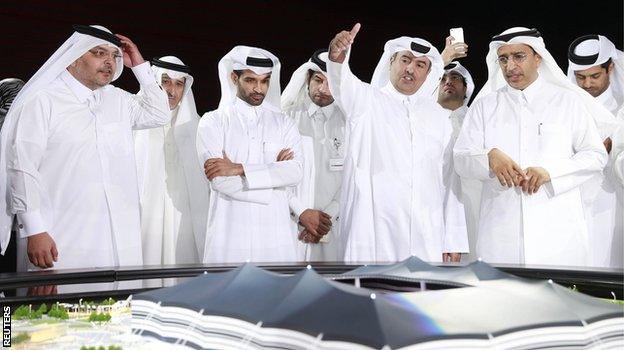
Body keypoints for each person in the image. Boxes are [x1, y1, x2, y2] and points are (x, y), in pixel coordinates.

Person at [0, 25, 170, 270]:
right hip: (60, 237)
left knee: (115, 307)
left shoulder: (118, 99)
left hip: (118, 239)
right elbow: (22, 167)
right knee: (60, 308)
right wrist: (34, 229)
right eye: (99, 53)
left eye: (114, 55)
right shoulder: (43, 100)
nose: (110, 62)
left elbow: (159, 113)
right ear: (73, 57)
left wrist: (141, 68)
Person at [453, 27, 610, 267]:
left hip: (558, 238)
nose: (510, 66)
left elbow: (596, 155)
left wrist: (551, 172)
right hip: (501, 238)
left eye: (519, 56)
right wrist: (489, 157)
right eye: (503, 59)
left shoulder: (567, 101)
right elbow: (461, 159)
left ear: (538, 58)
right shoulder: (485, 106)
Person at [327, 23, 468, 263]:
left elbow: (448, 182)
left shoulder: (439, 118)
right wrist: (338, 58)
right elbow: (342, 84)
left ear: (428, 74)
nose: (411, 69)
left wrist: (451, 239)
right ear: (391, 62)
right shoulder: (366, 101)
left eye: (420, 65)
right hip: (374, 233)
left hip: (426, 235)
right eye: (405, 60)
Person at [196, 46, 303, 263]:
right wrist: (275, 188)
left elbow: (296, 172)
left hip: (275, 233)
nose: (259, 89)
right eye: (251, 80)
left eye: (264, 81)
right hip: (230, 232)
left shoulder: (284, 123)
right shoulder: (213, 121)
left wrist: (239, 169)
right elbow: (221, 181)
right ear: (234, 78)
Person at [134, 56, 209, 266]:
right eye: (165, 81)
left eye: (178, 84)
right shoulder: (133, 121)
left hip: (183, 216)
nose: (171, 91)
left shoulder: (199, 128)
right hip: (144, 213)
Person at [282, 49, 345, 261]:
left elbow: (354, 177)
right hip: (290, 223)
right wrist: (302, 213)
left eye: (331, 83)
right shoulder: (286, 118)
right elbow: (277, 175)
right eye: (318, 80)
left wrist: (325, 220)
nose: (323, 89)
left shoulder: (350, 123)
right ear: (307, 78)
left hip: (334, 227)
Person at [567, 35, 624, 268]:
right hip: (573, 200)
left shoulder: (621, 108)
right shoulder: (567, 107)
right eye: (580, 77)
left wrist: (613, 150)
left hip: (613, 199)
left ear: (610, 68)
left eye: (594, 76)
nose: (587, 84)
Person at [437, 62, 480, 262]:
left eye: (455, 78)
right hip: (436, 220)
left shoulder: (478, 120)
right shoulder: (426, 124)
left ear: (466, 88)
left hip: (477, 216)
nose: (448, 82)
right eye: (443, 79)